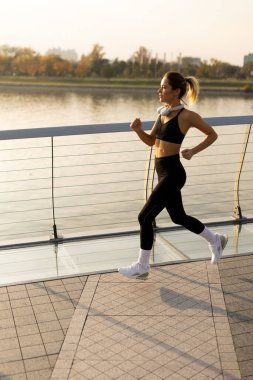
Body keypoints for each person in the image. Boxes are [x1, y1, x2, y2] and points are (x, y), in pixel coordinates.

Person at [118, 71, 228, 279]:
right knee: (178, 216)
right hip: (162, 172)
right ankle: (215, 239)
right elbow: (152, 142)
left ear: (176, 91)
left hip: (174, 173)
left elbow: (212, 134)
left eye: (164, 87)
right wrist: (138, 130)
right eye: (160, 87)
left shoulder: (186, 115)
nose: (159, 90)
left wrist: (192, 151)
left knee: (144, 217)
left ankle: (142, 266)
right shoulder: (163, 114)